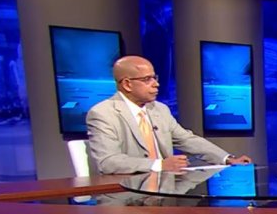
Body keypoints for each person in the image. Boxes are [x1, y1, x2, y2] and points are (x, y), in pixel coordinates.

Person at [86, 55, 252, 175]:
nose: (156, 84)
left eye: (155, 78)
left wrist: (227, 158)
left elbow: (186, 140)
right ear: (127, 84)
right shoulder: (103, 114)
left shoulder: (159, 109)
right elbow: (108, 162)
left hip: (166, 188)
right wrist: (159, 165)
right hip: (127, 194)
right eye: (147, 79)